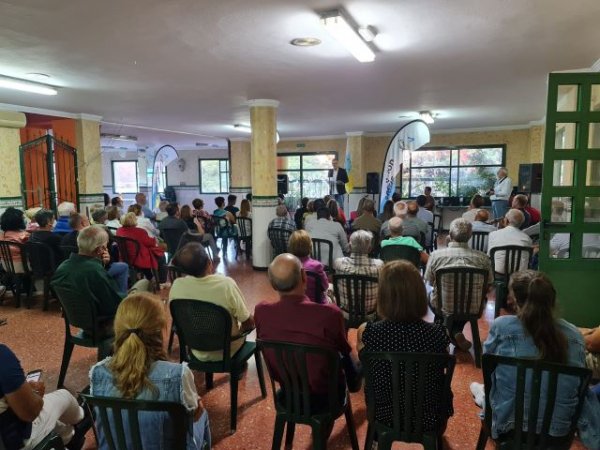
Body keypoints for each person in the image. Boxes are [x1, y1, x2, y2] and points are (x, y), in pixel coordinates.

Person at [471, 271, 600, 449]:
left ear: (514, 299)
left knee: (493, 386)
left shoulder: (502, 327)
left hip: (509, 427)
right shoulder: (574, 336)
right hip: (558, 434)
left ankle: (482, 394)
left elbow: (487, 363)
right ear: (552, 300)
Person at [89, 293, 210, 450]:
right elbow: (191, 416)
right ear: (159, 331)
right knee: (203, 415)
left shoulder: (98, 373)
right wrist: (198, 410)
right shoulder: (178, 375)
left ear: (117, 328)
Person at [357, 260, 453, 433]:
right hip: (430, 416)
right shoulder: (439, 334)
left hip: (382, 414)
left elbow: (365, 366)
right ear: (419, 294)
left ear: (383, 295)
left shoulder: (368, 332)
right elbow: (443, 365)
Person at [254, 254, 361, 407]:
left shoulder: (261, 311)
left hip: (288, 392)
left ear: (272, 284)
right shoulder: (329, 314)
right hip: (327, 395)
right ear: (304, 276)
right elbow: (344, 350)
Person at [52, 226, 150, 328]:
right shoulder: (94, 270)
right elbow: (113, 303)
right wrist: (132, 296)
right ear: (100, 249)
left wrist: (102, 264)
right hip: (102, 323)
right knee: (144, 284)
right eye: (106, 245)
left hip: (78, 320)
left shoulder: (62, 267)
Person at [169, 243, 253, 361]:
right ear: (209, 262)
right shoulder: (225, 285)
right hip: (228, 350)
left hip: (196, 350)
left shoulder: (177, 286)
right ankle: (238, 369)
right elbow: (247, 321)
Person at [0, 344, 87, 449]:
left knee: (57, 424)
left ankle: (69, 438)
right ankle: (82, 415)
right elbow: (30, 413)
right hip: (16, 442)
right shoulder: (2, 356)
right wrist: (36, 394)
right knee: (64, 396)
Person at [425, 218, 493, 351]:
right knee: (467, 305)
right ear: (470, 236)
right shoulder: (483, 258)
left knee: (432, 297)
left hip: (443, 305)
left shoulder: (436, 256)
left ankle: (445, 335)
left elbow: (430, 282)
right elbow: (489, 286)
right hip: (473, 307)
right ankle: (456, 332)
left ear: (449, 235)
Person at [333, 231, 383, 319]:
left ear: (349, 246)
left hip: (346, 314)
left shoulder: (338, 263)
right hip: (370, 315)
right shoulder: (379, 265)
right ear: (370, 248)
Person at [116, 212, 166, 282]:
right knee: (161, 256)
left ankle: (150, 277)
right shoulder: (139, 231)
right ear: (134, 221)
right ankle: (161, 281)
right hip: (138, 258)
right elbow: (150, 243)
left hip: (125, 257)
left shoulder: (119, 230)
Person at [288, 230, 328, 304]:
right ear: (310, 246)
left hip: (294, 304)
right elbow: (325, 286)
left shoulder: (287, 265)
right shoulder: (317, 266)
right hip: (316, 305)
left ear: (291, 246)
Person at [487, 209, 532, 274]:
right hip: (519, 274)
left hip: (498, 272)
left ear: (507, 221)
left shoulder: (493, 234)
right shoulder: (527, 238)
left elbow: (489, 255)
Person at [0, 207, 30, 273]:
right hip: (24, 266)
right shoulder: (25, 236)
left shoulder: (1, 236)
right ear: (19, 221)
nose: (25, 219)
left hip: (6, 266)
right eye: (23, 218)